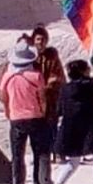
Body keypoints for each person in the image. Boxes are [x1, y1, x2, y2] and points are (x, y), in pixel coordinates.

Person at [0, 40, 52, 184]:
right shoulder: (36, 76)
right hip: (35, 117)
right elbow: (42, 97)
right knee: (41, 152)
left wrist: (8, 111)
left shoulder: (7, 76)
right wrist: (43, 111)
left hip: (16, 118)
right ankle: (42, 183)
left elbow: (3, 96)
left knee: (17, 154)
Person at [31, 26, 66, 163]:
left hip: (51, 98)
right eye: (38, 39)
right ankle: (40, 154)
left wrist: (52, 82)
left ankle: (56, 152)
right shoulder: (29, 58)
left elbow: (59, 76)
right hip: (35, 99)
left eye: (43, 39)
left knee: (52, 127)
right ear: (33, 40)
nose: (40, 42)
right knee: (37, 129)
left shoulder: (52, 57)